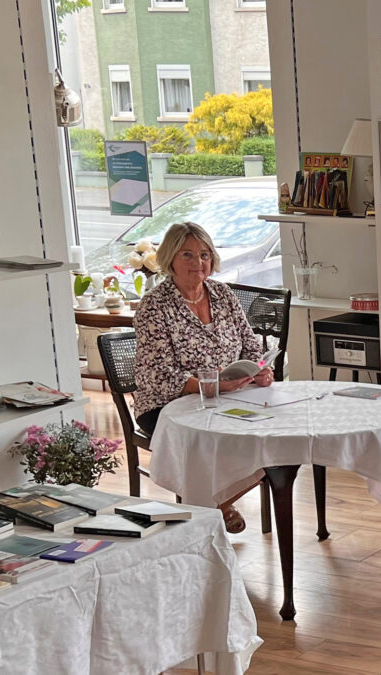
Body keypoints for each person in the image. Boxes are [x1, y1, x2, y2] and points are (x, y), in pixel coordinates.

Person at [133, 221, 273, 532]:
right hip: (167, 404)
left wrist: (261, 370)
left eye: (205, 255)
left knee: (271, 436)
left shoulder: (222, 294)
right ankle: (217, 508)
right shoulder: (154, 306)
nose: (199, 263)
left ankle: (215, 504)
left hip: (229, 394)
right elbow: (161, 374)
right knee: (209, 440)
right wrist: (212, 386)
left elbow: (250, 345)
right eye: (188, 255)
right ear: (170, 259)